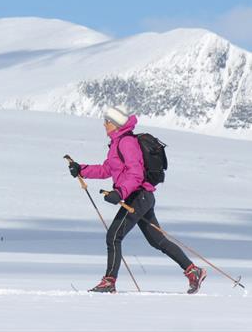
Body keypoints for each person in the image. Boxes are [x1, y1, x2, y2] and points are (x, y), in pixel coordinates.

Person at [67, 106, 206, 294]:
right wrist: (81, 169)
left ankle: (109, 281)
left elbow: (136, 173)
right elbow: (107, 169)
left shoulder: (126, 143)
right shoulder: (117, 143)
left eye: (107, 121)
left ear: (115, 124)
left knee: (114, 236)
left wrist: (120, 193)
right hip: (140, 196)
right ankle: (193, 271)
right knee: (157, 241)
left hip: (137, 196)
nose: (104, 124)